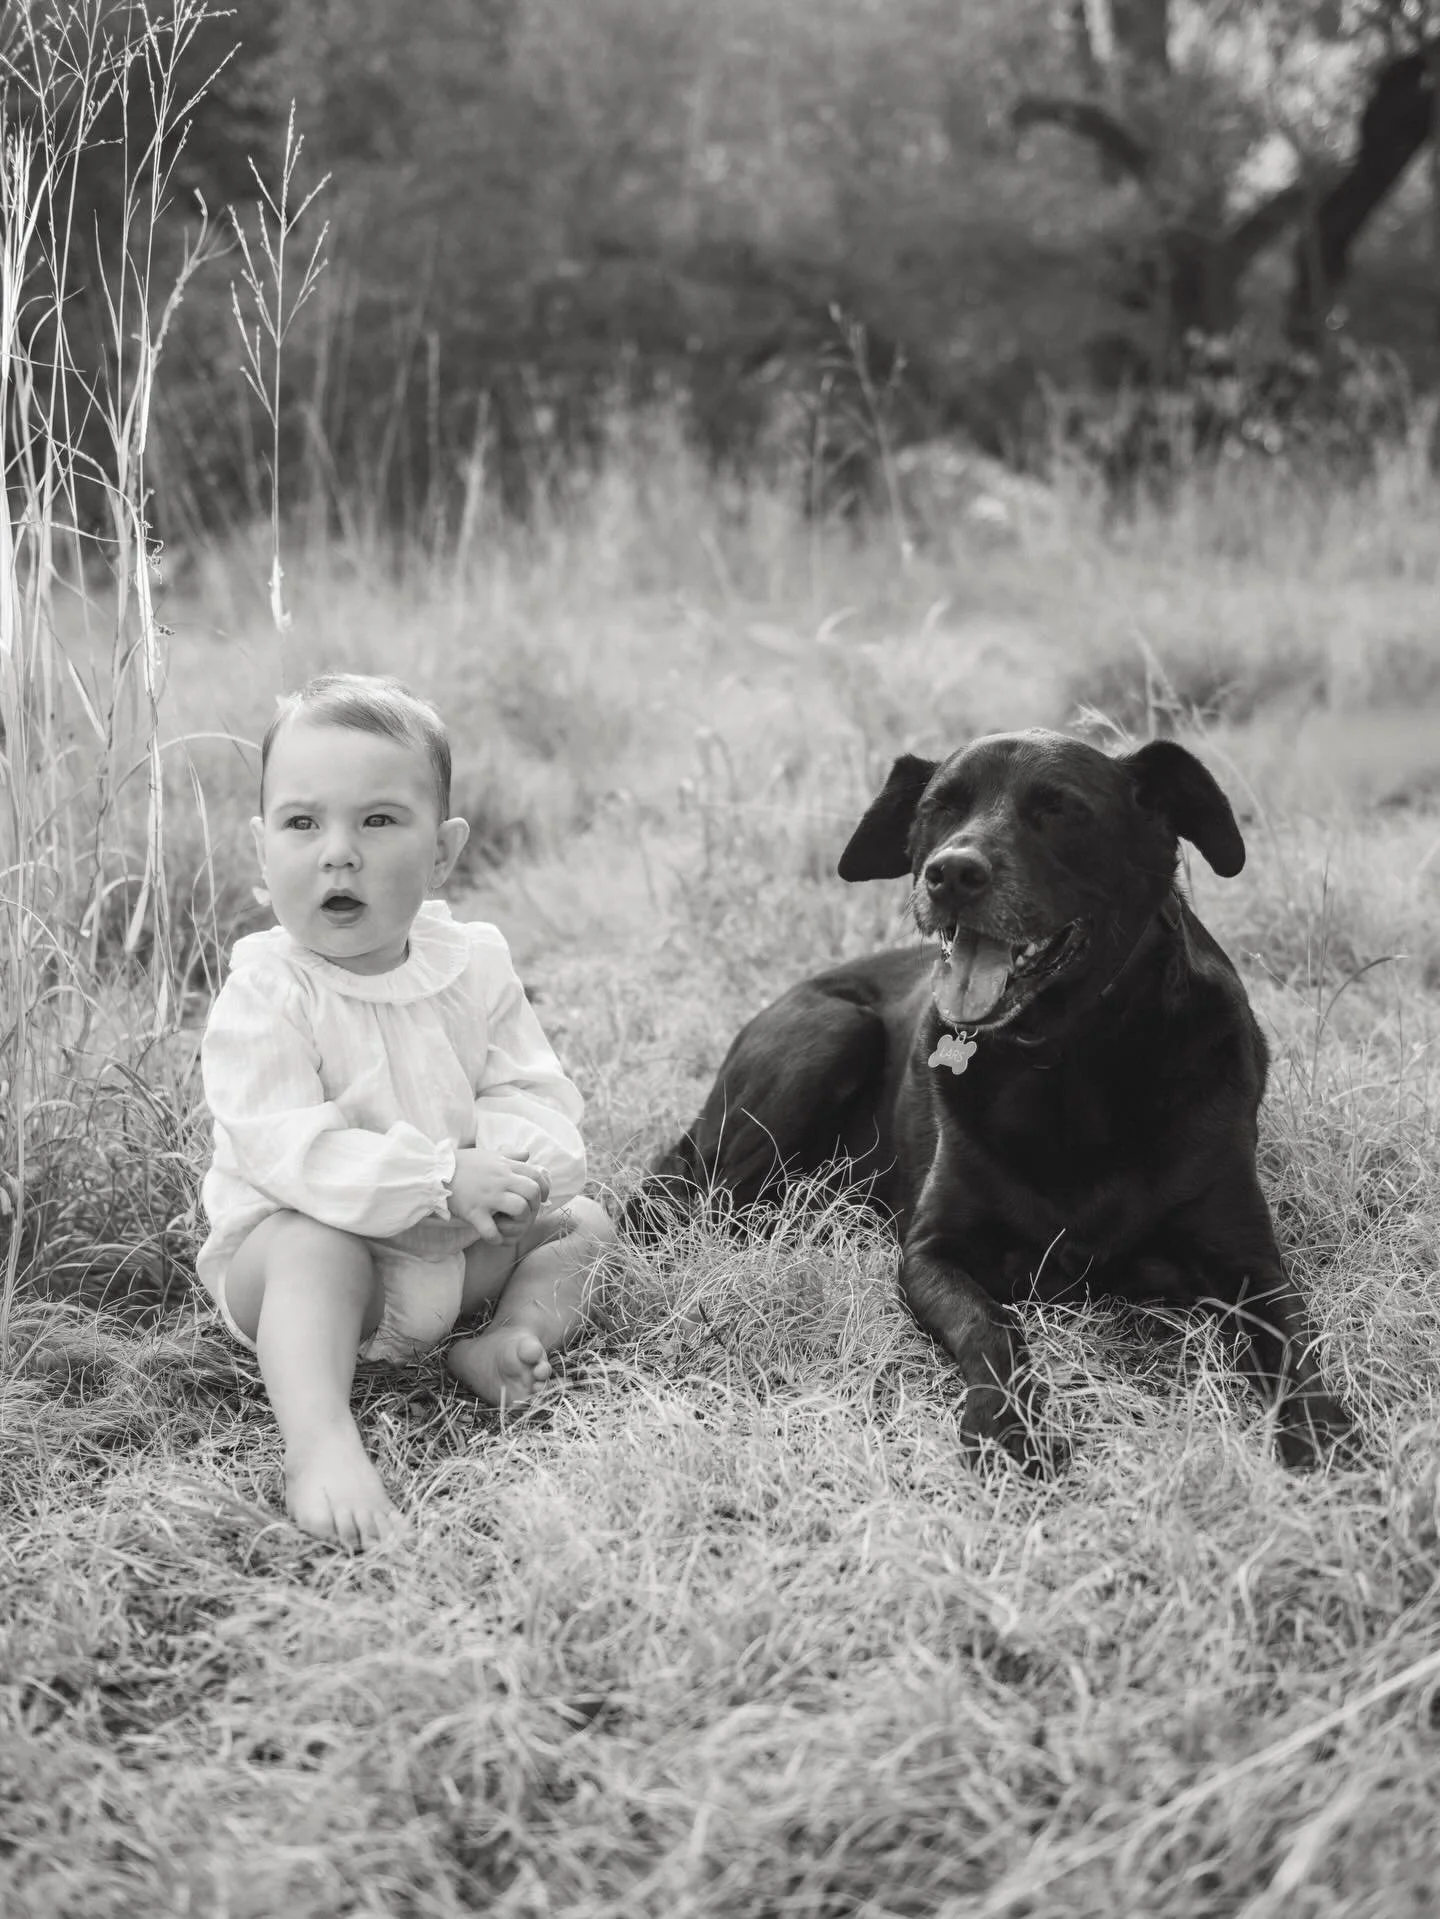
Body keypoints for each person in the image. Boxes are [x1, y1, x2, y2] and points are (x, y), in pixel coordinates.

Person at [197, 671, 614, 1550]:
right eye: (302, 822)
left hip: (453, 1256)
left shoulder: (474, 964)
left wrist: (511, 1168)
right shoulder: (268, 988)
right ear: (260, 848)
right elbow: (287, 1151)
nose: (337, 852)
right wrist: (436, 1175)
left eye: (377, 820)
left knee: (582, 1222)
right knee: (315, 1244)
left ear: (443, 852)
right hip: (308, 1275)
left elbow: (528, 1086)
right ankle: (319, 1441)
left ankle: (501, 1343)